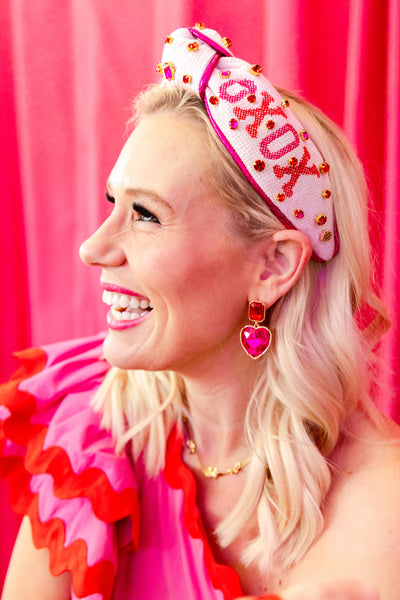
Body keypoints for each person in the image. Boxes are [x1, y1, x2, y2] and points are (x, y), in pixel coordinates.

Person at [1, 24, 399, 600]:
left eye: (146, 216)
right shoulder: (93, 434)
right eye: (114, 202)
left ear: (272, 265)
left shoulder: (380, 522)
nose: (93, 248)